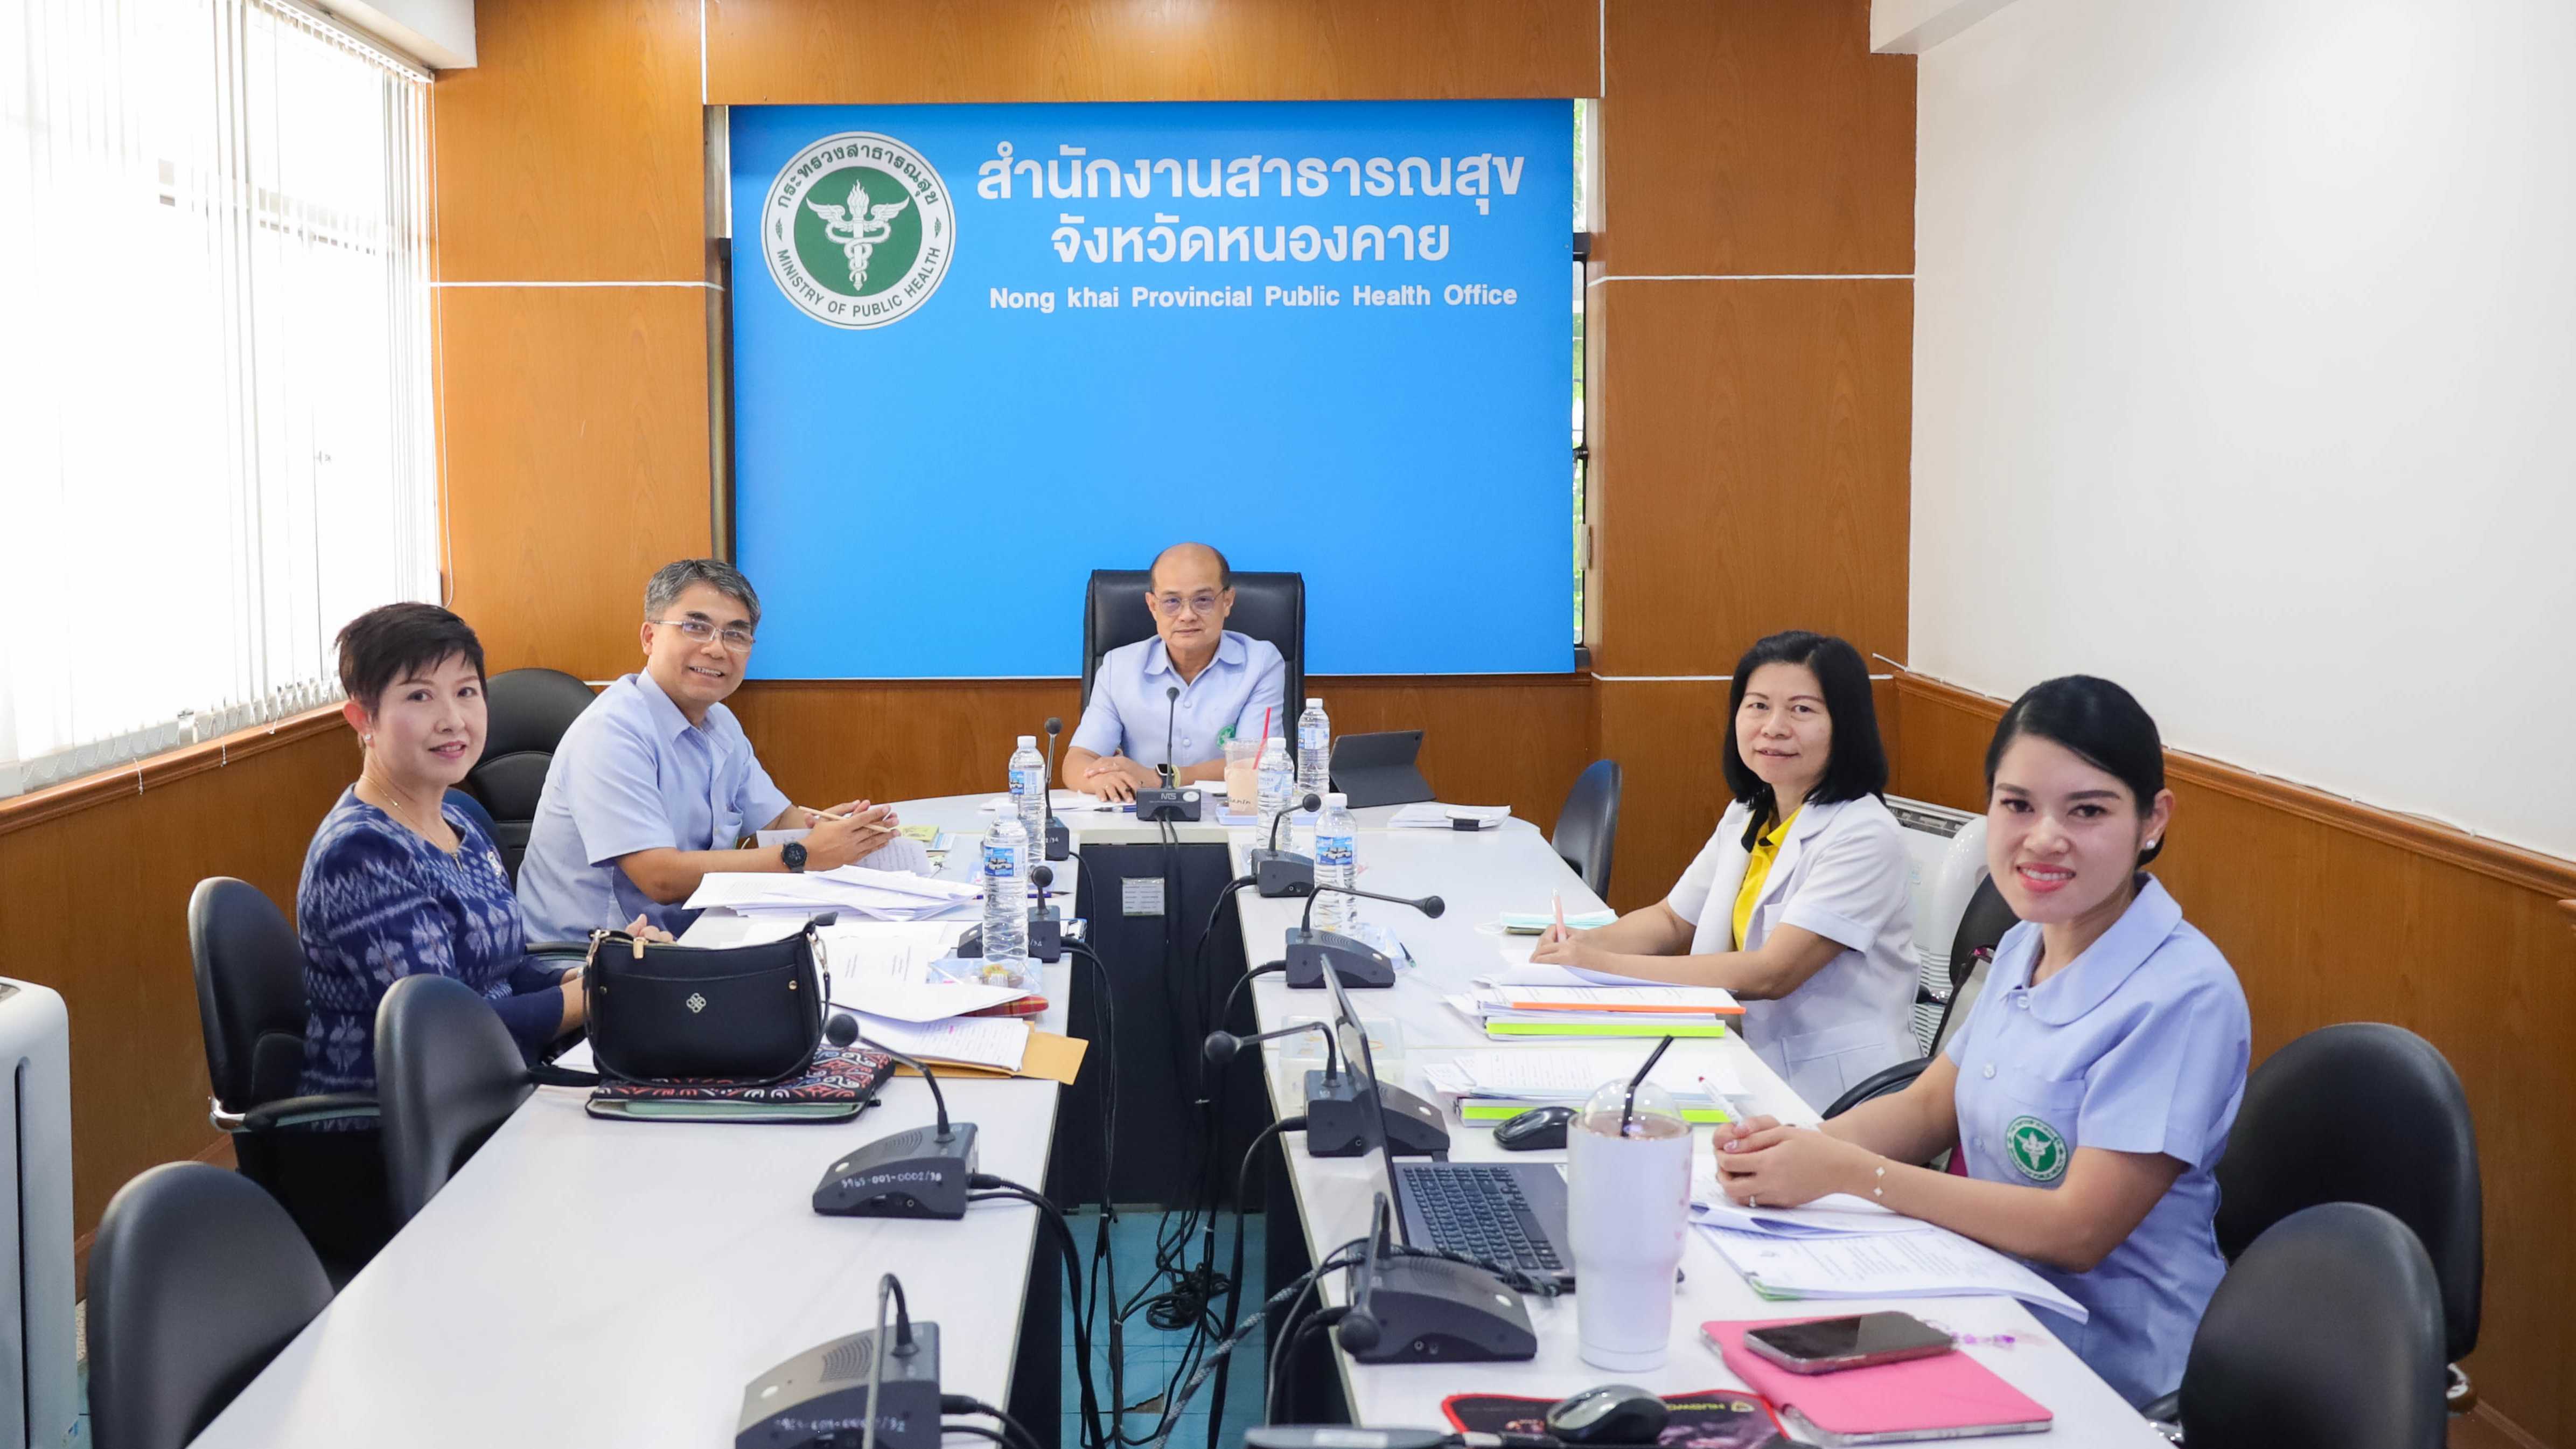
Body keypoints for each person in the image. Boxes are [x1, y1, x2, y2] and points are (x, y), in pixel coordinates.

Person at [1709, 675, 2251, 1408]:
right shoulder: (2028, 938)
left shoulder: (2183, 995)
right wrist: (1789, 1154)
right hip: (1978, 1302)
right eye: (2016, 804)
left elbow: (2076, 1228)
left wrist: (1846, 1172)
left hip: (2103, 1370)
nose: (2043, 837)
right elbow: (1929, 1105)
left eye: (2086, 810)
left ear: (2152, 819)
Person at [1533, 630, 1918, 1109]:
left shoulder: (1864, 835)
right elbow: (1671, 920)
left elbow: (1771, 973)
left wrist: (1605, 968)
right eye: (1757, 706)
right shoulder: (1749, 812)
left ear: (1847, 726)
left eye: (1801, 709)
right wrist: (1582, 945)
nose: (1773, 727)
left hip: (1833, 1093)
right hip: (1735, 1059)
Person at [298, 603, 663, 1102]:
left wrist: (602, 969)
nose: (453, 720)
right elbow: (446, 1028)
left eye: (466, 692)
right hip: (410, 1128)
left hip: (499, 1083)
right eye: (420, 696)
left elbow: (506, 969)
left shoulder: (460, 819)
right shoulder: (362, 853)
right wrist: (598, 995)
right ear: (363, 718)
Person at [516, 559, 922, 942]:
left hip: (691, 931)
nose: (716, 649)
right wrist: (804, 854)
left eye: (735, 634)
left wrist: (828, 831)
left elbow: (778, 820)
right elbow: (660, 877)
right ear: (649, 637)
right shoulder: (612, 732)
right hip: (591, 958)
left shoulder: (720, 722)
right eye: (696, 627)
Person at [1064, 541, 1286, 803]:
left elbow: (1257, 763)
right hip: (1138, 821)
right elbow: (1077, 762)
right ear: (1152, 606)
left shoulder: (1260, 663)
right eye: (1172, 601)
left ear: (1227, 601)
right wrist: (1102, 778)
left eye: (1203, 600)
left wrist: (1163, 778)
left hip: (1231, 817)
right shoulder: (1118, 667)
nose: (1187, 615)